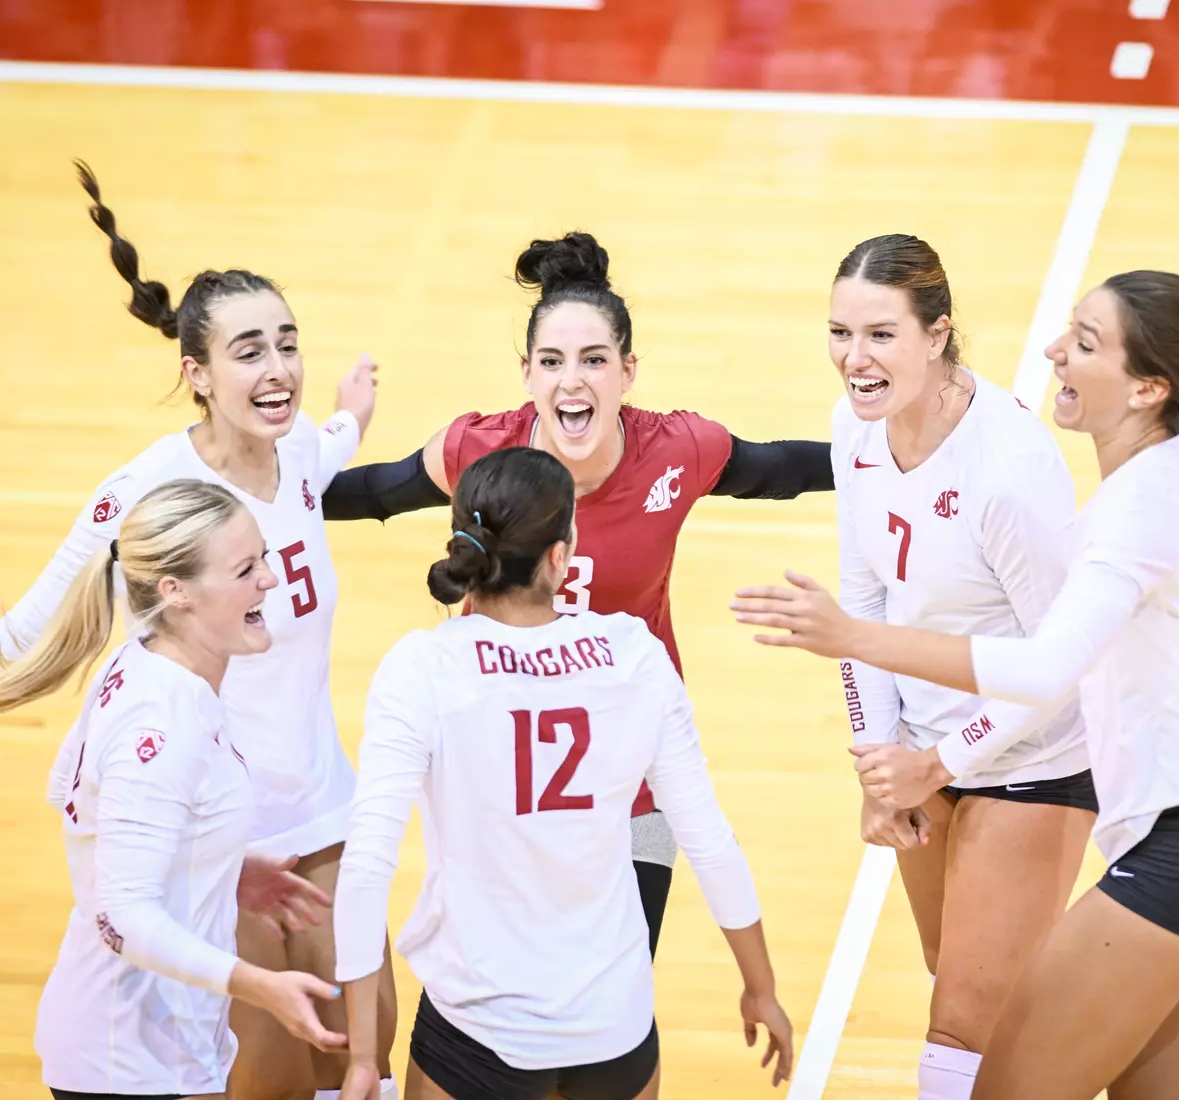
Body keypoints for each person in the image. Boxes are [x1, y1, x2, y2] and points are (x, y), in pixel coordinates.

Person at [732, 271, 1179, 1100]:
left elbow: (1041, 669)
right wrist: (1170, 694)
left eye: (1086, 343)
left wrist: (854, 640)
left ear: (1148, 387)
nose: (1053, 350)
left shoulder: (1126, 510)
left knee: (998, 1082)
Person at [0, 163, 398, 1100]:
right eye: (249, 351)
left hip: (330, 817)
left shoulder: (297, 448)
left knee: (360, 1070)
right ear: (198, 374)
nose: (277, 370)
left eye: (287, 345)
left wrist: (352, 406)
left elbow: (330, 446)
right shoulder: (148, 492)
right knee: (272, 1081)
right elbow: (30, 629)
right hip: (221, 841)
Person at [321, 231, 833, 969]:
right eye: (553, 362)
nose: (573, 382)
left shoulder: (677, 451)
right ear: (525, 373)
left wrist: (900, 449)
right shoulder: (479, 453)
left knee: (614, 988)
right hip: (504, 773)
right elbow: (372, 494)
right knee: (499, 1001)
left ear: (628, 371)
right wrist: (252, 486)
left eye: (595, 361)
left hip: (631, 771)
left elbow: (777, 468)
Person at [331, 447, 793, 1100]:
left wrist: (358, 1057)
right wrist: (761, 987)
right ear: (561, 554)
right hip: (614, 1024)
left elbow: (368, 863)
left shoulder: (422, 668)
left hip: (478, 1024)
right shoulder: (635, 653)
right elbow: (707, 837)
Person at [0, 479, 349, 1100]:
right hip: (127, 1062)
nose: (271, 580)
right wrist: (258, 985)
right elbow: (121, 916)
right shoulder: (161, 720)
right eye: (245, 568)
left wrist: (218, 866)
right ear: (176, 593)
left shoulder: (147, 661)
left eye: (264, 557)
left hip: (160, 1052)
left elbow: (79, 804)